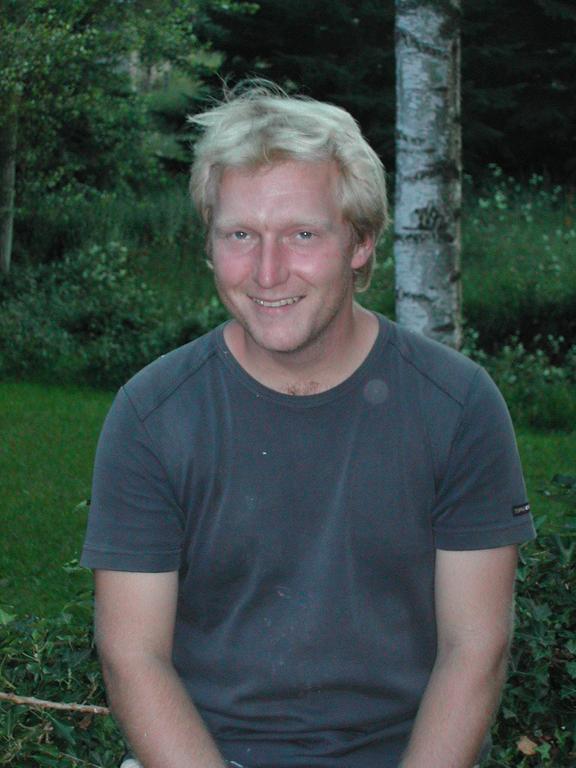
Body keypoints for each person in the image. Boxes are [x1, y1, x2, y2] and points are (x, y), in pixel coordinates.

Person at [81, 82, 536, 768]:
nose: (267, 272)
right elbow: (132, 655)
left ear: (361, 242)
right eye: (240, 235)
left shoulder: (458, 406)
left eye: (302, 234)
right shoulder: (153, 415)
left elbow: (475, 650)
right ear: (210, 244)